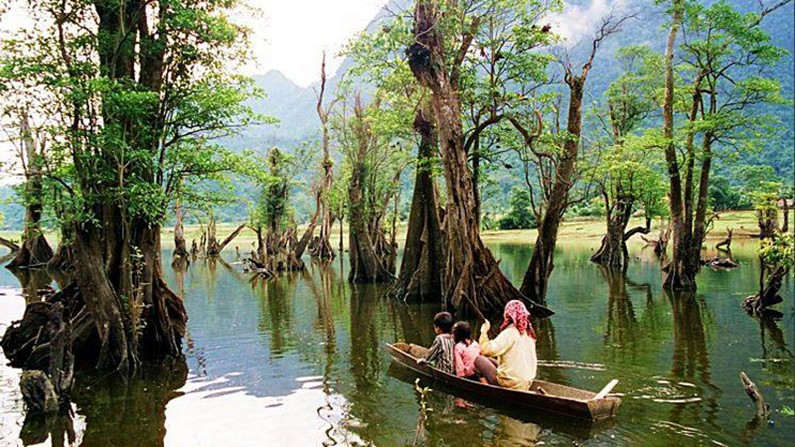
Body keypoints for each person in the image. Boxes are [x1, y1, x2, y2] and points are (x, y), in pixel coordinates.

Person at [475, 300, 537, 390]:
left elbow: (485, 350)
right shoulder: (529, 334)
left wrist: (484, 331)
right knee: (488, 359)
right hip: (526, 383)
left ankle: (487, 389)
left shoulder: (510, 332)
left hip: (510, 383)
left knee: (479, 359)